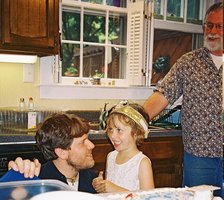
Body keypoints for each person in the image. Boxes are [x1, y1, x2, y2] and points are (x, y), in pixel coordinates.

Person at [143, 2, 223, 198]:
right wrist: (136, 119)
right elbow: (163, 94)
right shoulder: (189, 62)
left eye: (219, 26)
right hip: (199, 157)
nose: (211, 31)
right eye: (208, 25)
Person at [8, 113, 97, 193]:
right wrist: (13, 184)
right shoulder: (38, 182)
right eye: (83, 142)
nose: (92, 145)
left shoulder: (94, 181)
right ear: (62, 152)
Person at [92, 103, 154, 193]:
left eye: (119, 130)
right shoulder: (111, 156)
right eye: (110, 129)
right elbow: (110, 189)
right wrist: (102, 185)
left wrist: (113, 188)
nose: (113, 136)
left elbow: (148, 197)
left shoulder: (142, 163)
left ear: (136, 133)